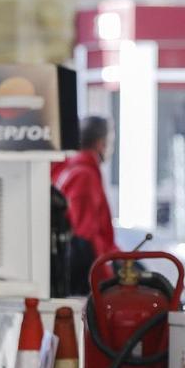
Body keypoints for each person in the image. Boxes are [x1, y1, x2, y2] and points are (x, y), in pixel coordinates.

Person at [53, 117, 117, 292]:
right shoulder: (84, 175)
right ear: (101, 143)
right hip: (83, 279)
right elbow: (85, 236)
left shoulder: (65, 169)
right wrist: (106, 279)